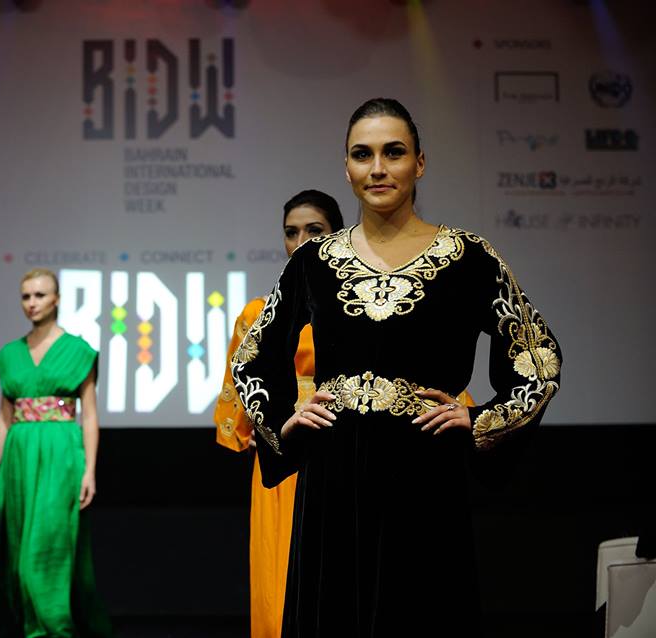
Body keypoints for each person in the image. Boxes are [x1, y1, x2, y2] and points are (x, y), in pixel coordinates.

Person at [230, 98, 562, 637]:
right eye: (362, 155)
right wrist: (283, 421)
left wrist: (482, 418)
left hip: (425, 472)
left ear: (420, 163)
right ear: (346, 168)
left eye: (394, 152)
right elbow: (252, 358)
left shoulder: (470, 258)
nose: (378, 168)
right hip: (333, 477)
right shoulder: (313, 262)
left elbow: (538, 359)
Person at [214, 189, 343, 638]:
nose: (301, 241)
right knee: (279, 578)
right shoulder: (259, 314)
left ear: (338, 235)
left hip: (345, 448)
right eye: (291, 232)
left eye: (314, 230)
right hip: (284, 455)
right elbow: (237, 404)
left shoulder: (362, 312)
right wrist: (259, 424)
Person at [0, 268, 112, 637]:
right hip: (19, 458)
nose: (32, 303)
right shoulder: (9, 355)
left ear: (57, 299)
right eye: (26, 296)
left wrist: (89, 470)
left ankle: (54, 629)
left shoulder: (78, 351)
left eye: (39, 295)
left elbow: (89, 416)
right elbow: (4, 418)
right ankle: (32, 627)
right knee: (18, 556)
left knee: (45, 551)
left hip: (60, 455)